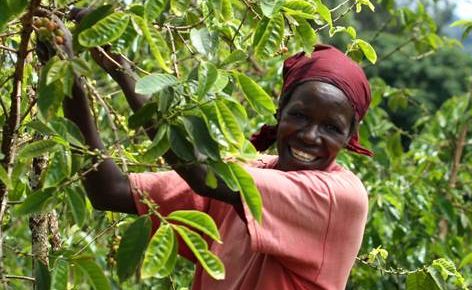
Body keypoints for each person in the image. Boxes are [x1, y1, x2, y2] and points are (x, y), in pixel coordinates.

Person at [63, 25, 373, 289]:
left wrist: (121, 69)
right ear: (280, 113)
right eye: (300, 116)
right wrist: (66, 71)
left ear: (349, 138)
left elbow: (201, 174)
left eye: (331, 127)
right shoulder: (252, 172)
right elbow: (109, 191)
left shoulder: (339, 197)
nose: (310, 135)